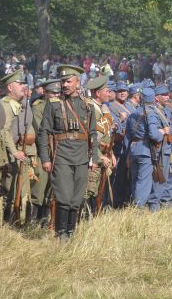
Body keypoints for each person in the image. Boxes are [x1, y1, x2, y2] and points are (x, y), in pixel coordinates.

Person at [37, 64, 97, 240]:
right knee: (63, 195)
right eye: (63, 81)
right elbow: (44, 132)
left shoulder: (88, 106)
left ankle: (71, 231)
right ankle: (61, 233)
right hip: (61, 156)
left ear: (78, 83)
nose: (64, 85)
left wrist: (94, 158)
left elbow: (93, 134)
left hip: (82, 157)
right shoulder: (53, 105)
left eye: (68, 81)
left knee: (77, 196)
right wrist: (45, 158)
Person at [0, 69, 37, 225]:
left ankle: (16, 221)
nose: (23, 86)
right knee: (7, 189)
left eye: (23, 83)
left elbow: (29, 132)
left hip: (21, 154)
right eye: (19, 84)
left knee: (20, 190)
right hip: (7, 154)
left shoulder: (24, 106)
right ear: (9, 87)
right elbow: (4, 131)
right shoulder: (4, 105)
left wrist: (30, 154)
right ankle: (6, 223)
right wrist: (13, 152)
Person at [84, 75, 116, 216]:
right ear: (98, 93)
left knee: (98, 189)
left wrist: (111, 153)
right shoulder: (90, 109)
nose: (109, 94)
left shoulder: (101, 108)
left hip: (103, 153)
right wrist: (100, 156)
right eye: (107, 91)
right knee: (89, 190)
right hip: (93, 156)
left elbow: (105, 135)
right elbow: (92, 137)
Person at [31, 79, 60, 225]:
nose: (56, 95)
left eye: (58, 92)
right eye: (52, 92)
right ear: (45, 93)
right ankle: (34, 221)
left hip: (57, 151)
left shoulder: (61, 106)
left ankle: (45, 219)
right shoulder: (38, 107)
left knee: (51, 188)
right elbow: (40, 129)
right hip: (42, 151)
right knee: (39, 187)